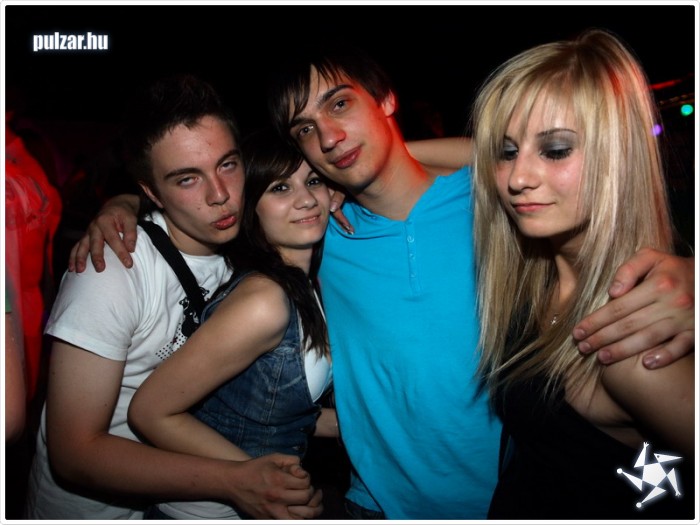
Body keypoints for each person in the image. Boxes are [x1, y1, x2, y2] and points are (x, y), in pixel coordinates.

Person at [71, 46, 695, 519]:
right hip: (374, 505)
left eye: (340, 104)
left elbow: (551, 172)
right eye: (304, 130)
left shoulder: (500, 203)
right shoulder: (321, 230)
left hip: (508, 496)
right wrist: (125, 204)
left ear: (386, 99)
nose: (327, 136)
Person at [23, 75, 322, 520]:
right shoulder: (112, 271)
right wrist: (237, 481)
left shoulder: (244, 248)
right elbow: (74, 452)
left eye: (227, 165)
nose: (220, 195)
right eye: (187, 179)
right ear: (151, 192)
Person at [471, 29, 694, 519]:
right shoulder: (538, 277)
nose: (517, 178)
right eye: (507, 152)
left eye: (555, 150)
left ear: (620, 154)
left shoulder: (631, 344)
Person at [127, 128, 337, 520]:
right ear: (251, 207)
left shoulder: (306, 285)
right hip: (205, 513)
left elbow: (273, 412)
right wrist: (260, 481)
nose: (307, 199)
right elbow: (150, 412)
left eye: (313, 182)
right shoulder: (264, 302)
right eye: (280, 188)